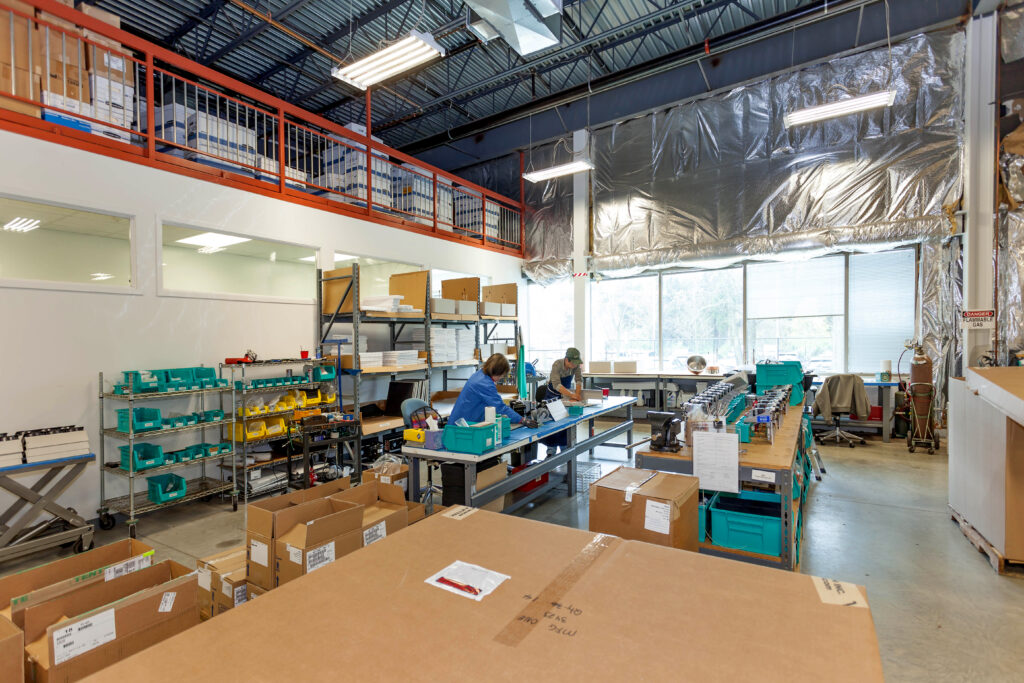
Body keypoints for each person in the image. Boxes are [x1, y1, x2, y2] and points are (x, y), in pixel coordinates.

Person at [448, 353, 535, 427]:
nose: (501, 378)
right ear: (498, 371)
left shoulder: (480, 375)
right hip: (462, 427)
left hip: (462, 423)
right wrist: (522, 420)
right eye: (502, 375)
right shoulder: (484, 383)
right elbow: (499, 407)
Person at [540, 347, 584, 456]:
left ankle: (565, 451)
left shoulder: (576, 365)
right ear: (567, 360)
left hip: (566, 397)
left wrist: (577, 395)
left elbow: (579, 380)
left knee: (566, 423)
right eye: (573, 363)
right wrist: (572, 395)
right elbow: (557, 385)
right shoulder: (557, 365)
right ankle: (551, 452)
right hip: (552, 396)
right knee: (553, 425)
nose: (575, 366)